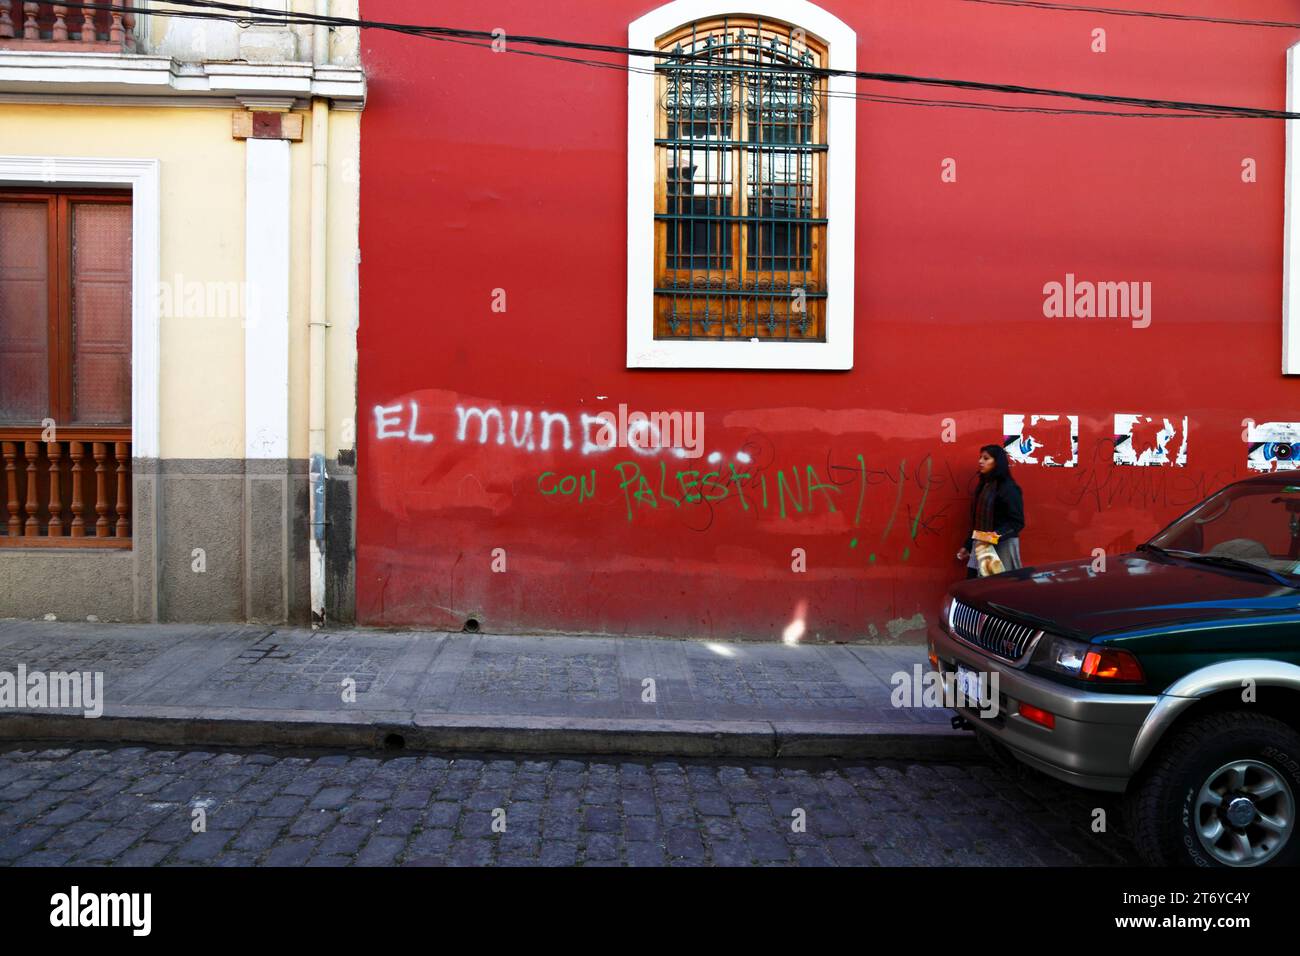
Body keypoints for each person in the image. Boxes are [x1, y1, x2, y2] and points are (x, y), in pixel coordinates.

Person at [955, 444, 1024, 578]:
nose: (980, 461)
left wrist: (991, 537)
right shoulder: (984, 486)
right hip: (981, 545)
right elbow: (977, 521)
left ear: (997, 462)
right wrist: (968, 545)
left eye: (986, 458)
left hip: (1001, 547)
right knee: (975, 585)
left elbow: (1017, 523)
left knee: (996, 589)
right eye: (980, 458)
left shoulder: (1008, 488)